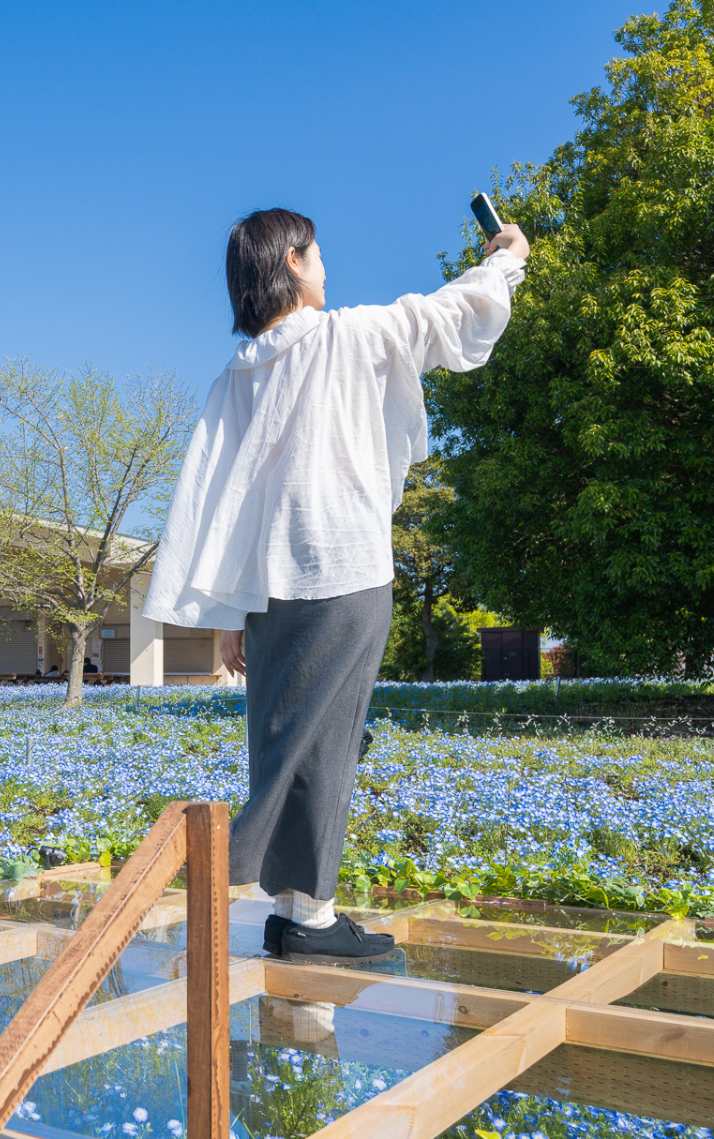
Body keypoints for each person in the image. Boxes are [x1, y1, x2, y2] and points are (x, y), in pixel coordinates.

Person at [144, 207, 529, 960]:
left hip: (270, 589)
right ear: (292, 261)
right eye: (317, 254)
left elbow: (227, 500)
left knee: (288, 741)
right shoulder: (347, 335)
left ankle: (297, 913)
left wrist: (230, 611)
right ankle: (258, 883)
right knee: (322, 744)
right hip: (344, 571)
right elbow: (451, 315)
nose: (326, 267)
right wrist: (506, 259)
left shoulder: (238, 376)